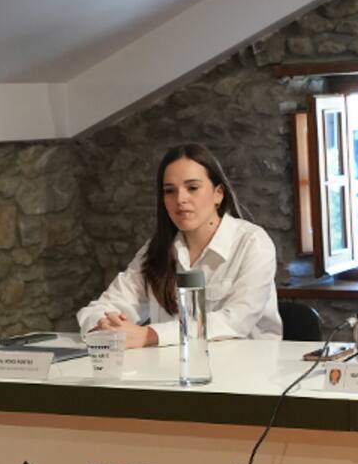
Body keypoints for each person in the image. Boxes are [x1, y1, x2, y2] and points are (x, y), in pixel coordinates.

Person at [77, 143, 282, 347]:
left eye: (192, 188)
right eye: (169, 191)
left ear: (218, 194)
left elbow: (236, 320)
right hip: (171, 365)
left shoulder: (252, 243)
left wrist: (150, 335)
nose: (180, 199)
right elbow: (103, 306)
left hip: (247, 363)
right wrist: (104, 325)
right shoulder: (156, 248)